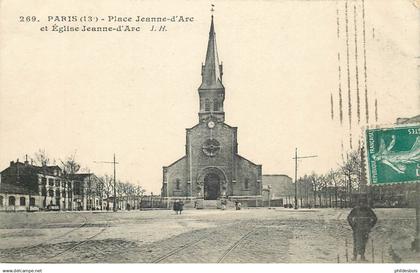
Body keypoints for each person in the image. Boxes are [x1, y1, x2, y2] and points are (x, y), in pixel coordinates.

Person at [347, 196, 377, 261]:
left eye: (363, 203)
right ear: (359, 203)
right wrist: (353, 226)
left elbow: (375, 218)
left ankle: (362, 256)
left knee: (363, 243)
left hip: (365, 229)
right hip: (357, 229)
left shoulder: (368, 209)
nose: (362, 204)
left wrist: (370, 226)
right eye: (360, 202)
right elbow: (349, 217)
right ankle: (355, 256)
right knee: (356, 242)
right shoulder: (355, 209)